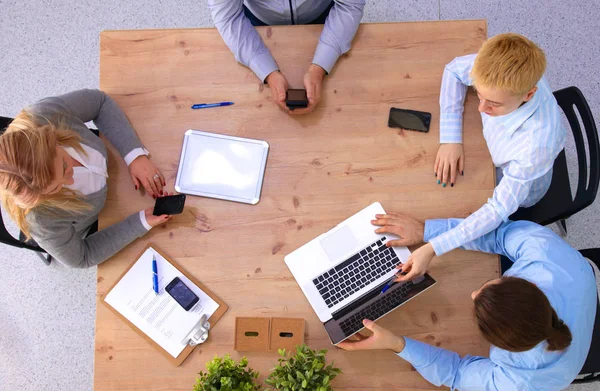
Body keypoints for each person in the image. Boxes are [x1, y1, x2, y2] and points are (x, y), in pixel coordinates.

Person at [339, 213, 597, 391]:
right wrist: (428, 234)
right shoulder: (544, 252)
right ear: (526, 283)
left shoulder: (518, 383)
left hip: (572, 344)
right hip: (580, 285)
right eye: (488, 288)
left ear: (501, 345)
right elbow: (496, 232)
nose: (473, 295)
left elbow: (457, 374)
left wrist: (396, 344)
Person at [400, 33, 566, 282]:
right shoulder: (501, 67)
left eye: (494, 104)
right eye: (479, 94)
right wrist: (451, 137)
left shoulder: (534, 145)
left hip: (522, 185)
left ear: (528, 95)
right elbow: (454, 70)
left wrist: (433, 246)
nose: (481, 108)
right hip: (496, 155)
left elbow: (498, 209)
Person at [0, 89, 172, 268]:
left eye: (65, 166)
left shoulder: (45, 114)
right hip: (103, 217)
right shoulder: (40, 221)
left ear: (52, 138)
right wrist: (140, 222)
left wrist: (134, 155)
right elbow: (83, 257)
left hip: (118, 174)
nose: (70, 182)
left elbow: (100, 102)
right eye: (54, 190)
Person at [208, 0, 365, 114]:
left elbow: (349, 5)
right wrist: (267, 72)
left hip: (325, 15)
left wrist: (320, 67)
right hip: (258, 21)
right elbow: (229, 18)